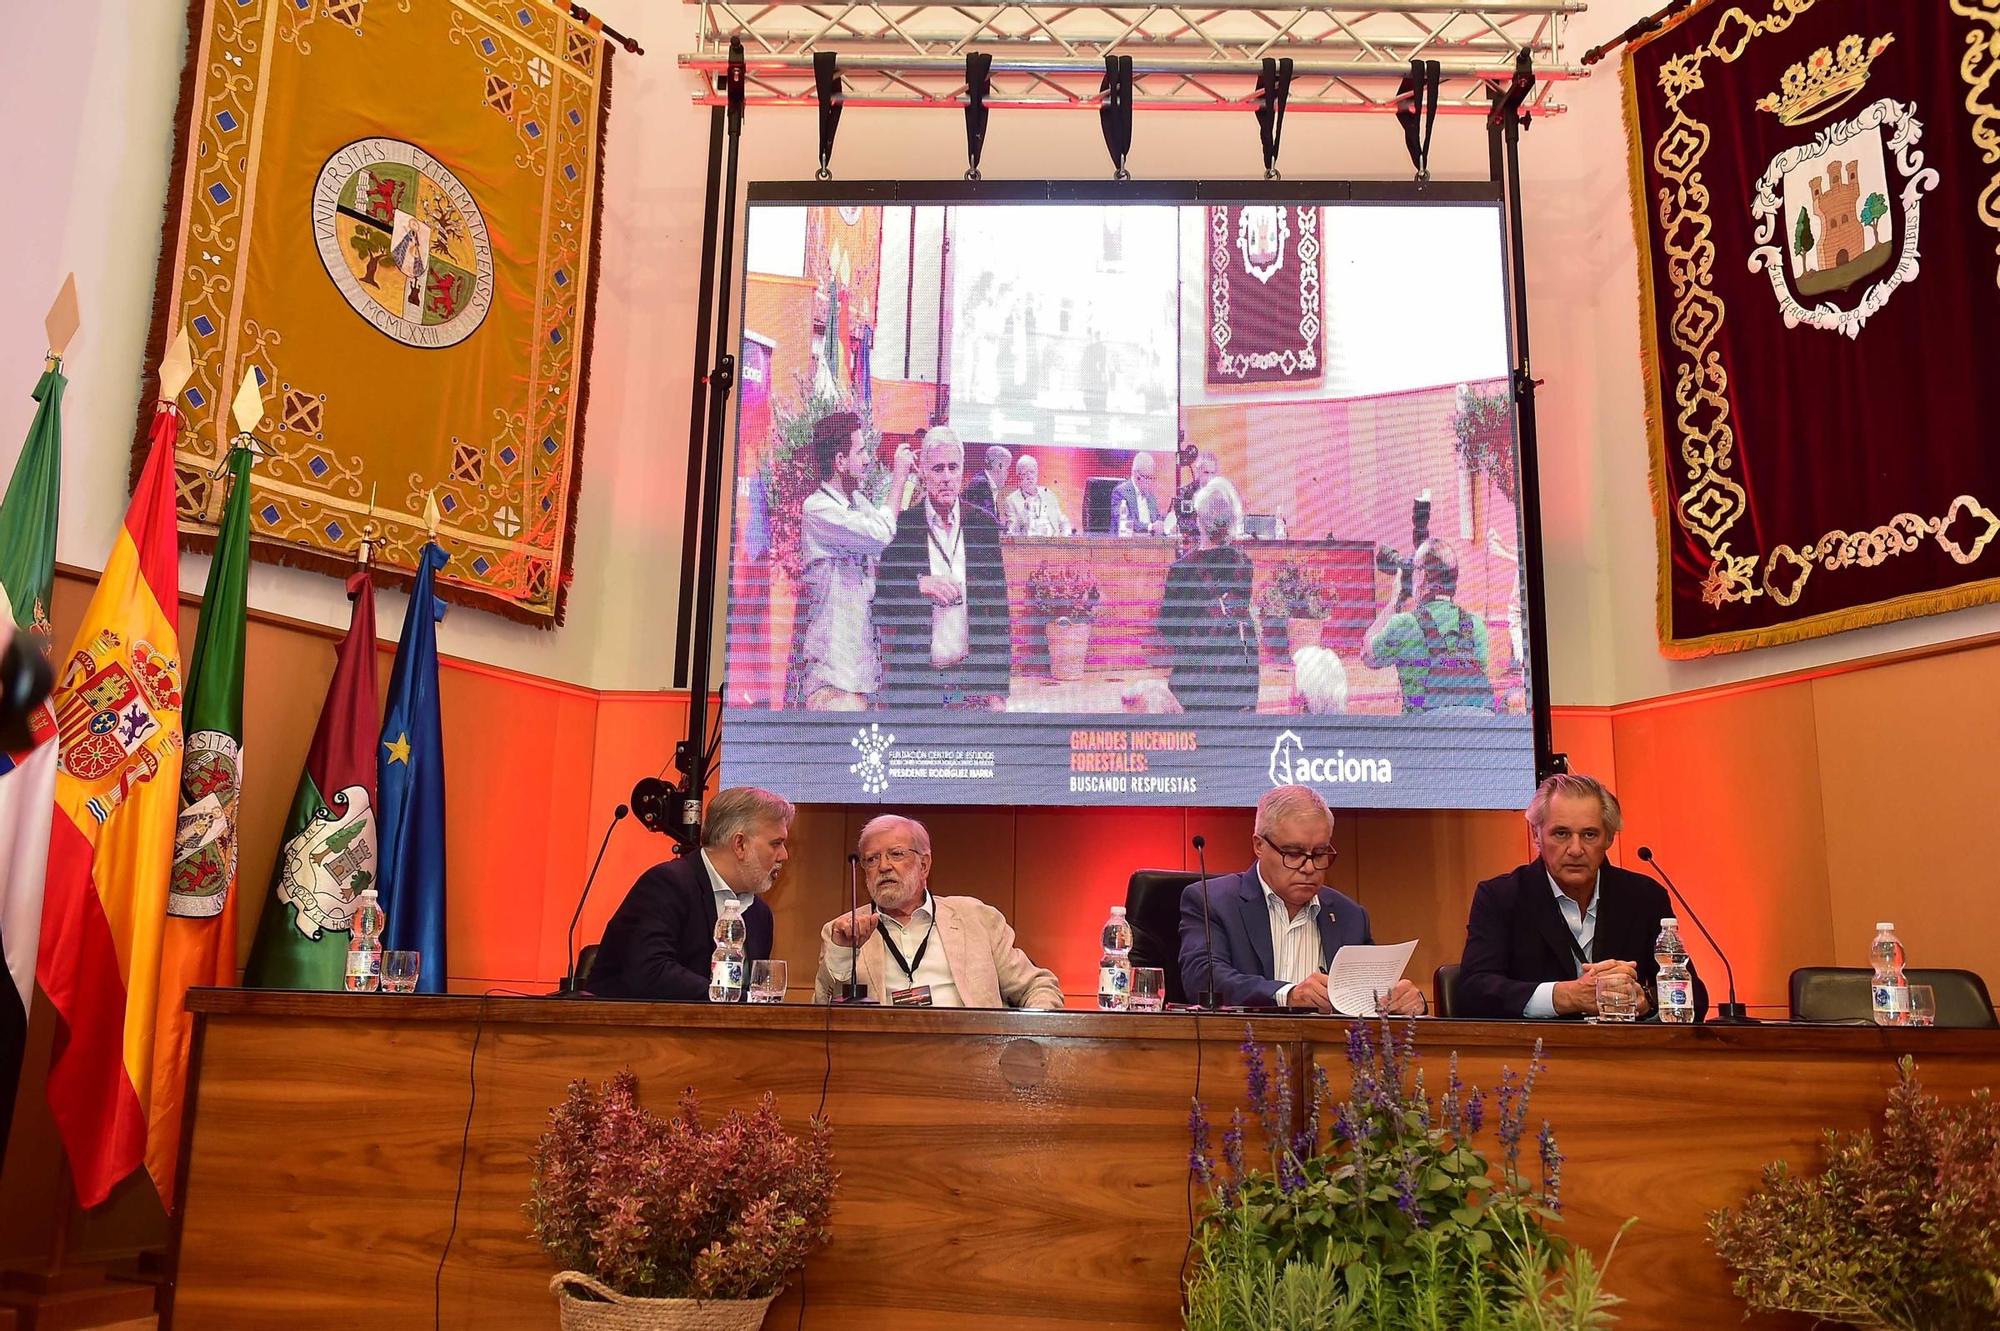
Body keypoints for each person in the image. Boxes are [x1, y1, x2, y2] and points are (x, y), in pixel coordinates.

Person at [1456, 773, 1708, 1020]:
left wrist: (1646, 999)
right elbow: (1473, 992)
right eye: (1561, 834)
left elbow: (1694, 995)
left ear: (1609, 837)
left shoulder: (1644, 897)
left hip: (1625, 1054)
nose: (1575, 850)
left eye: (1589, 834)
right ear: (1536, 835)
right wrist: (1566, 996)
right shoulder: (1501, 897)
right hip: (1536, 1054)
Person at [1178, 785, 1426, 1013]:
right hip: (1239, 1051)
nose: (1309, 868)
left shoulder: (1349, 915)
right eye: (1294, 853)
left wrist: (1409, 1002)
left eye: (1319, 854)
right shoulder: (1213, 901)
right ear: (1259, 845)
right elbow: (1204, 978)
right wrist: (1287, 995)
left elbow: (1371, 996)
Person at [814, 814, 1064, 1009]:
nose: (883, 867)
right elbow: (821, 1012)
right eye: (871, 859)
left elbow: (1038, 986)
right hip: (882, 1064)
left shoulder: (976, 918)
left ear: (924, 864)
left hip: (972, 1060)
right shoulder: (842, 932)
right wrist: (842, 953)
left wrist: (1031, 1038)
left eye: (896, 854)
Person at [586, 787, 793, 1001]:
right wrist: (735, 998)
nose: (784, 855)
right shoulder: (666, 885)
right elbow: (650, 972)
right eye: (776, 843)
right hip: (627, 1029)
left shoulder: (759, 915)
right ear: (739, 844)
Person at [877, 427, 1013, 709]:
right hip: (918, 685)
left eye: (953, 467)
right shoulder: (902, 528)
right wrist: (918, 586)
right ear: (924, 472)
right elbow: (882, 603)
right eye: (938, 469)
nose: (947, 477)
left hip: (971, 684)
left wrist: (997, 690)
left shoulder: (983, 526)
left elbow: (999, 611)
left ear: (963, 470)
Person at [788, 411, 914, 710]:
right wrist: (899, 478)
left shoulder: (857, 503)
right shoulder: (818, 509)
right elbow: (881, 533)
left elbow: (888, 532)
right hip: (833, 675)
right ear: (840, 461)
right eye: (860, 451)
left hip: (861, 673)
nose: (868, 459)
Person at [1156, 478, 1259, 713]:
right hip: (1240, 681)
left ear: (1200, 520)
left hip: (1195, 683)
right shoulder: (1244, 564)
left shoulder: (1182, 569)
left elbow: (1168, 629)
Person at [1361, 538, 1495, 713]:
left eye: (1415, 571)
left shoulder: (1404, 624)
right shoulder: (1477, 626)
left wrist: (1394, 600)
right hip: (1474, 736)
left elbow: (1367, 656)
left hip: (1422, 736)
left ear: (1422, 577)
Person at [1002, 454, 1073, 536]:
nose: (1029, 477)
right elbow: (1011, 532)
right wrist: (1024, 512)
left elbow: (1062, 520)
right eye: (1025, 473)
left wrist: (1066, 537)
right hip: (1028, 546)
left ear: (1037, 474)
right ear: (1019, 477)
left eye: (1032, 472)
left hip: (1054, 543)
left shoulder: (1048, 494)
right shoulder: (1011, 500)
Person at [1110, 452, 1165, 535]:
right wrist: (1150, 527)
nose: (1149, 482)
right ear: (1136, 474)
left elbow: (1156, 520)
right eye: (1146, 477)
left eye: (1152, 478)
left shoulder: (1150, 496)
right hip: (1127, 544)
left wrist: (1163, 525)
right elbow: (1125, 523)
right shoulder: (1120, 492)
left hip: (1151, 543)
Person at [962, 444, 1012, 520]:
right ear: (1000, 466)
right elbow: (985, 523)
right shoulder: (981, 484)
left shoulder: (985, 483)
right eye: (1007, 469)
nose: (1008, 474)